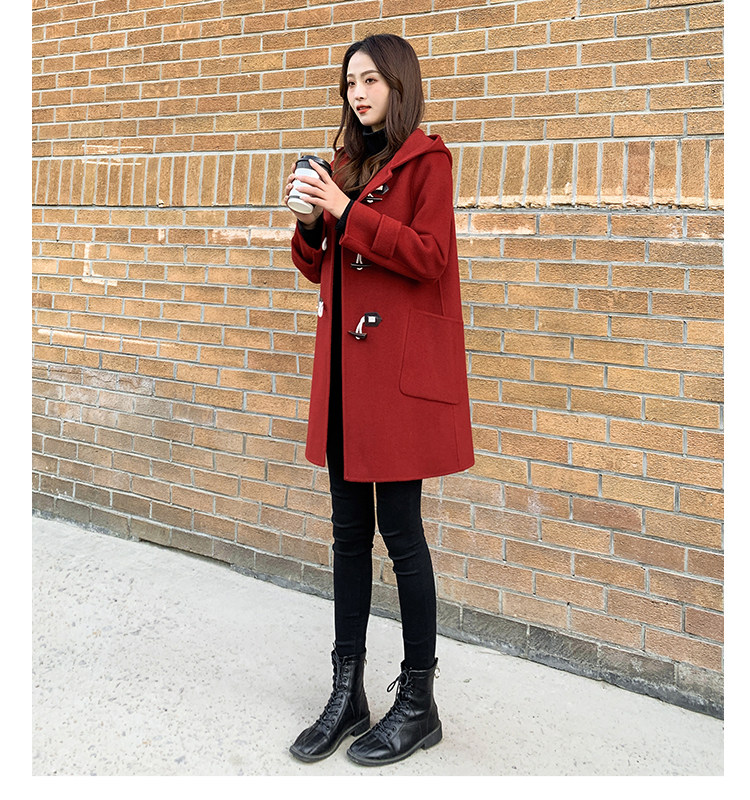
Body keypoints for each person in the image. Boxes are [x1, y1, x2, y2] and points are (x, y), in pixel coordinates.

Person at [283, 33, 474, 766]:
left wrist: (344, 208)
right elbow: (322, 268)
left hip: (392, 382)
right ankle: (347, 694)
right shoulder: (344, 165)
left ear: (398, 84)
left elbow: (430, 256)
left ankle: (419, 704)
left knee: (401, 534)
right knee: (345, 537)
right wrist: (311, 222)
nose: (356, 93)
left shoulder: (428, 161)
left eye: (369, 80)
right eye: (349, 83)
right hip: (343, 377)